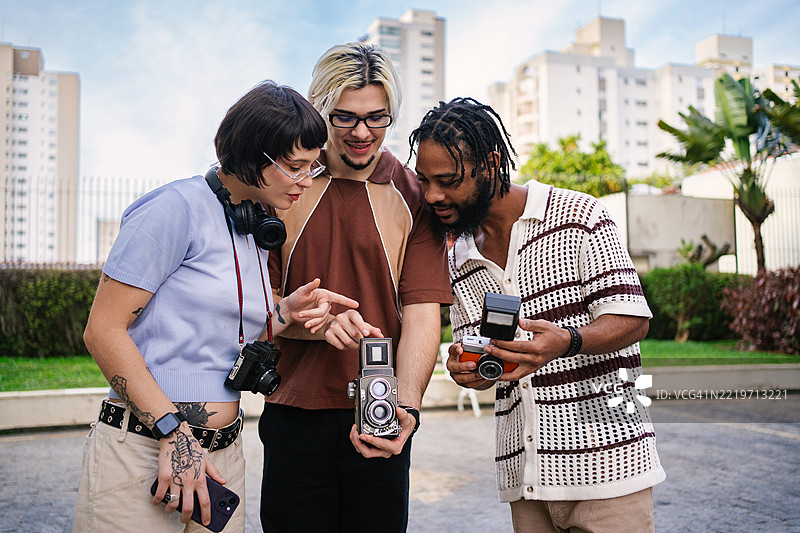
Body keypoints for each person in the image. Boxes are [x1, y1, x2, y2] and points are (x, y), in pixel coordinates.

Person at [73, 81, 360, 533]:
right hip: (150, 448)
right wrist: (174, 433)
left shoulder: (255, 226)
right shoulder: (173, 208)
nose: (308, 180)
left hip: (221, 455)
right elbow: (103, 330)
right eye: (295, 167)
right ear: (250, 156)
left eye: (312, 166)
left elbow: (223, 335)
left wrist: (285, 313)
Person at [410, 98, 666, 533]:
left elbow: (632, 319)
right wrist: (469, 370)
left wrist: (567, 341)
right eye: (424, 181)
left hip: (610, 472)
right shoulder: (457, 257)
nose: (433, 195)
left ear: (491, 165)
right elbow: (487, 360)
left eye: (448, 181)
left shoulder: (581, 215)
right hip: (526, 483)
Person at [261, 42, 452, 532]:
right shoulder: (284, 186)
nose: (362, 132)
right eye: (344, 117)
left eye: (376, 117)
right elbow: (259, 307)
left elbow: (422, 314)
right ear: (319, 109)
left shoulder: (414, 195)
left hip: (381, 414)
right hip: (293, 410)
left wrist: (406, 409)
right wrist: (315, 323)